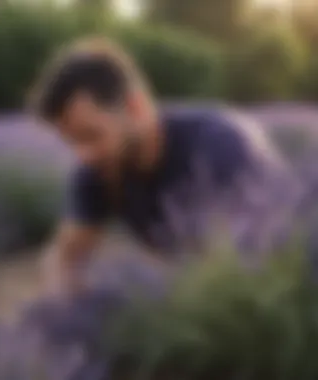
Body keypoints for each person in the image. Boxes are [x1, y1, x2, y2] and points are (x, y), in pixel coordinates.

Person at [30, 37, 302, 299]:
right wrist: (63, 299)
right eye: (73, 142)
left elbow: (241, 268)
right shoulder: (99, 169)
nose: (84, 155)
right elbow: (64, 255)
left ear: (135, 107)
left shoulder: (219, 146)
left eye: (91, 135)